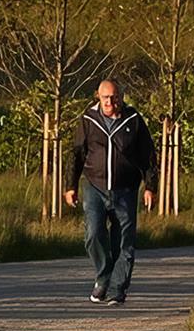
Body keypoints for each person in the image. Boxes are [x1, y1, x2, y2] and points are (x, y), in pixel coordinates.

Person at [64, 79, 157, 305]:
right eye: (106, 98)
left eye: (114, 98)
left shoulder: (133, 119)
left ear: (121, 97)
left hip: (125, 188)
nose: (110, 102)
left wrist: (150, 187)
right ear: (98, 96)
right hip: (94, 185)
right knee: (94, 234)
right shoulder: (88, 119)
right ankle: (103, 277)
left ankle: (118, 289)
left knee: (123, 241)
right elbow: (77, 154)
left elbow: (148, 155)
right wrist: (70, 186)